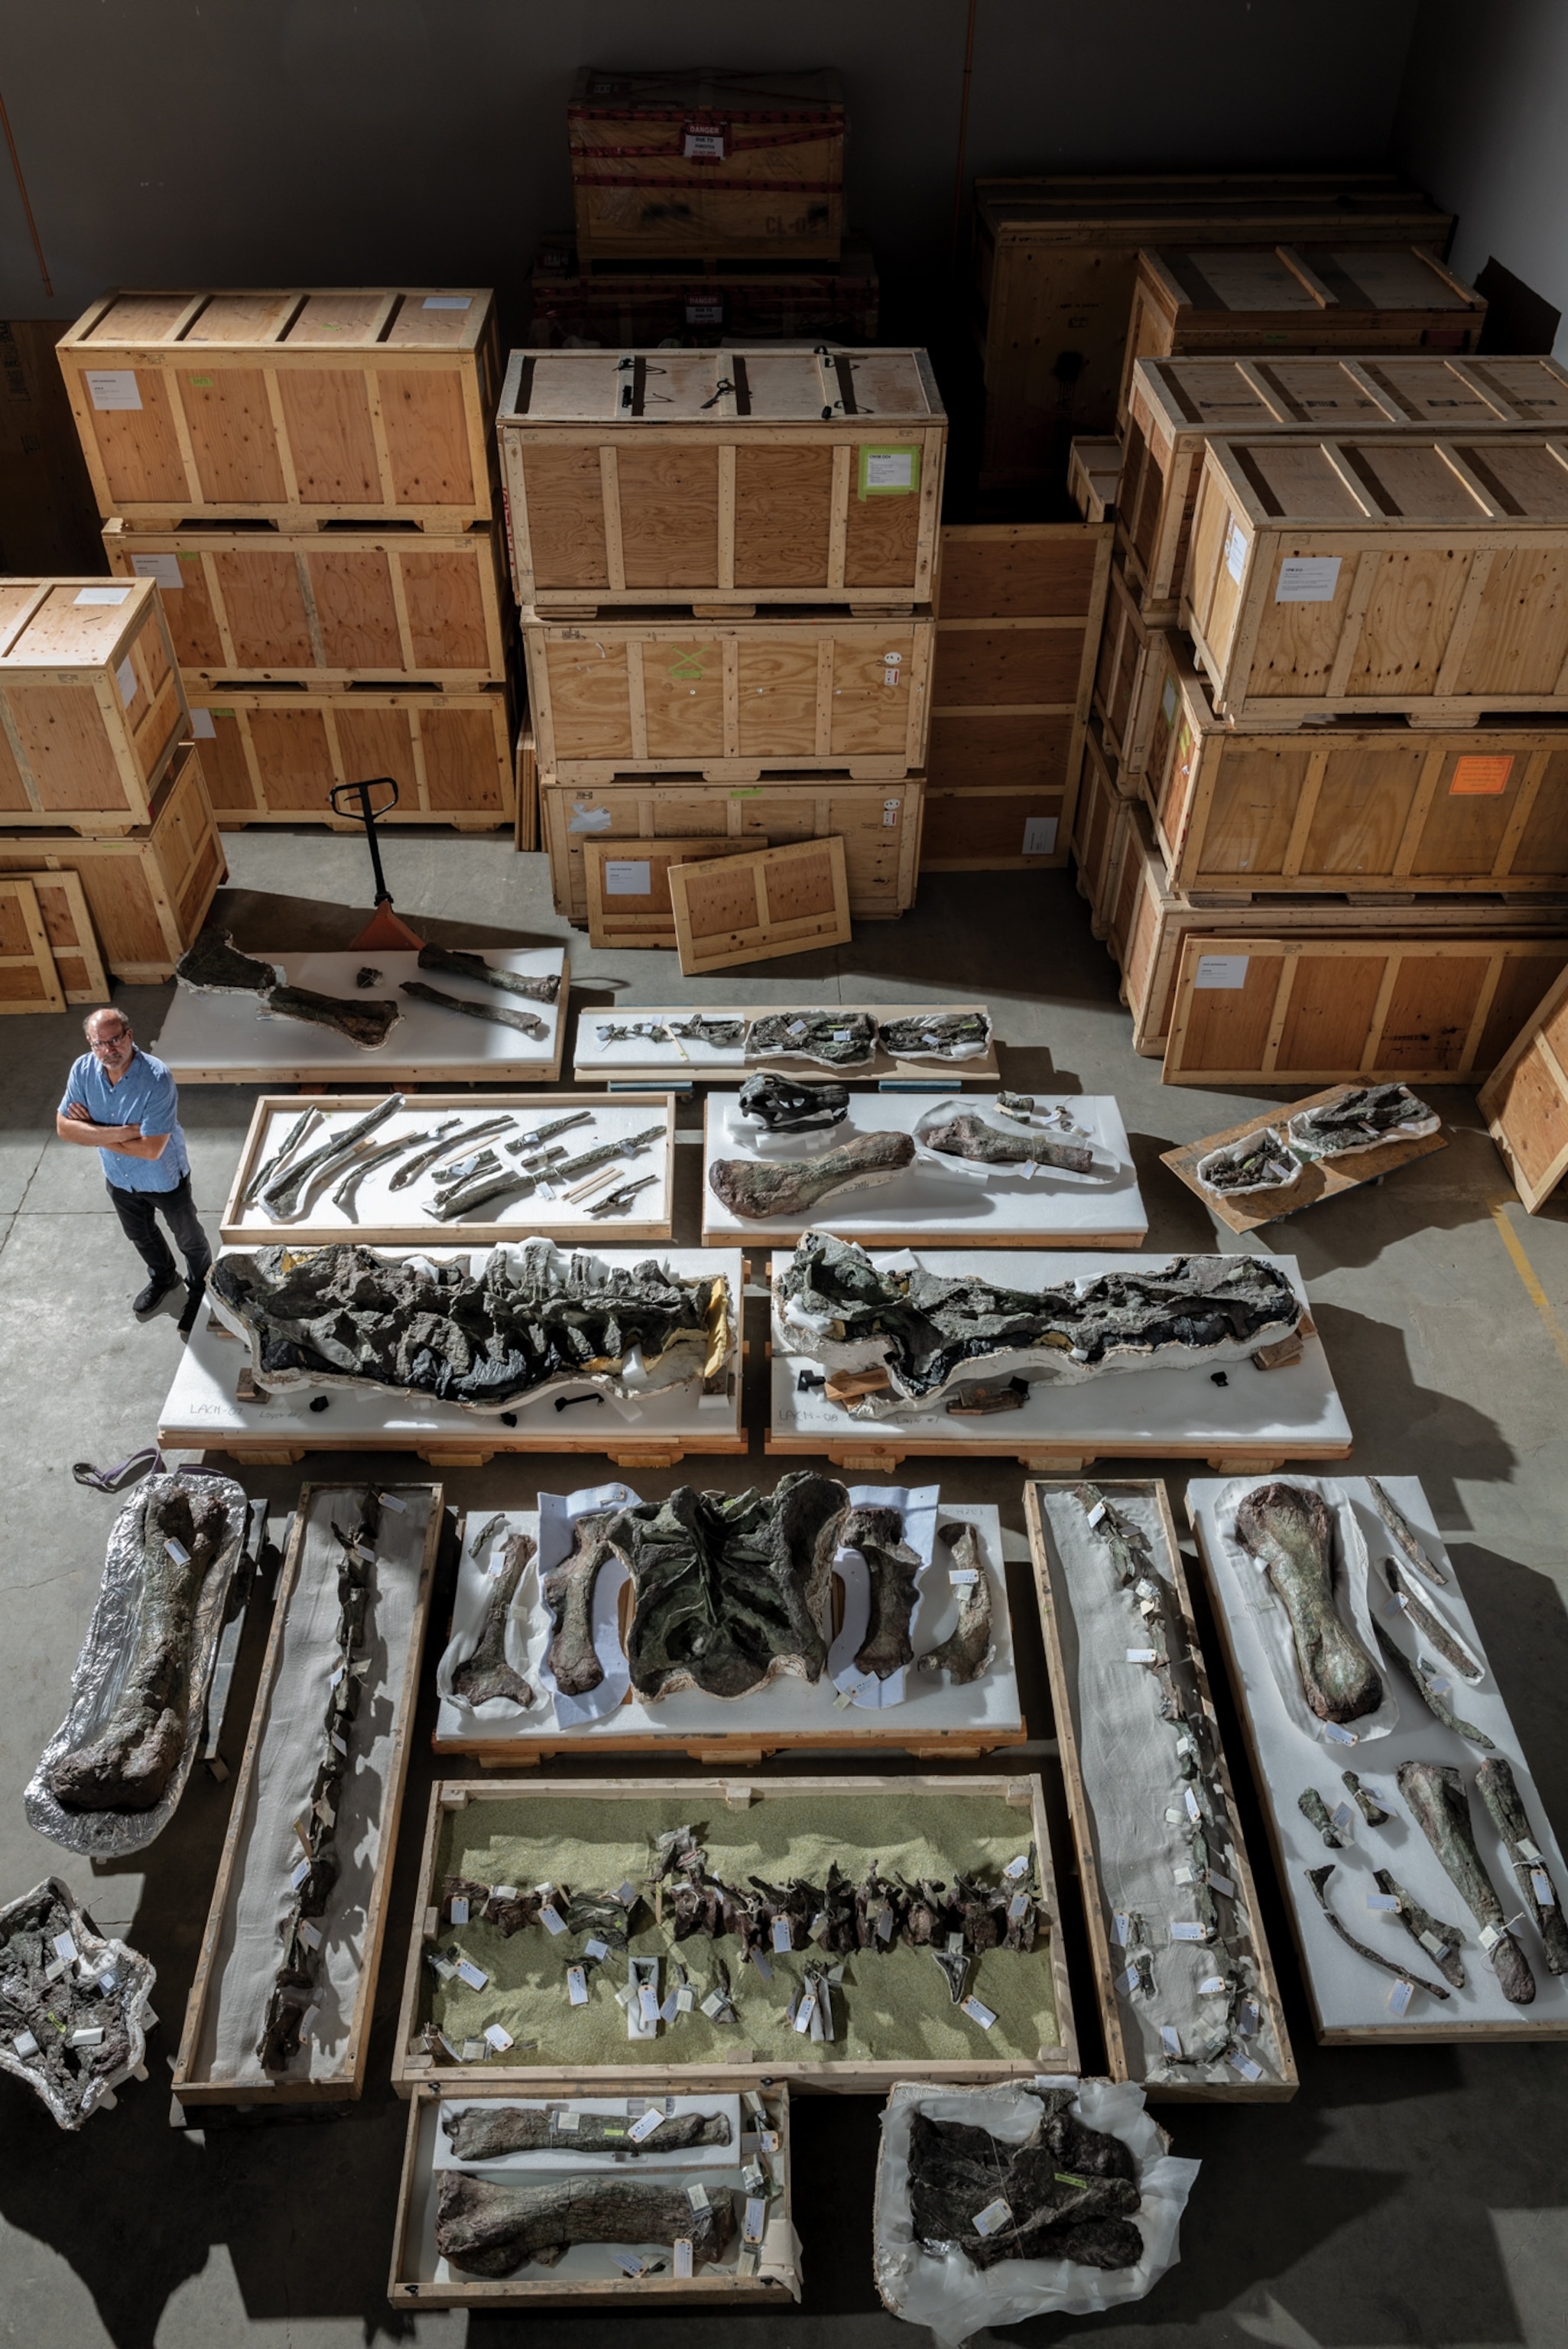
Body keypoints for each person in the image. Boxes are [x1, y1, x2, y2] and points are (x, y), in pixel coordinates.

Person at [57, 1006, 211, 1334]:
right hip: (118, 1177)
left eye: (115, 1040)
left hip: (164, 1178)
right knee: (140, 1234)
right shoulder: (83, 1070)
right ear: (90, 1042)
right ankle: (164, 1277)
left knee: (189, 1239)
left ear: (130, 1036)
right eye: (99, 1043)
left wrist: (92, 1131)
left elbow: (152, 1149)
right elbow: (64, 1129)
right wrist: (125, 1131)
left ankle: (201, 1289)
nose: (108, 1050)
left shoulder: (157, 1078)